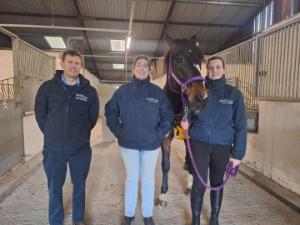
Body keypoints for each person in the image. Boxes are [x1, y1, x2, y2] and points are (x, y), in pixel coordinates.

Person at [105, 55, 175, 225]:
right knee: (131, 177)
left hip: (151, 145)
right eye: (139, 65)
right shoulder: (123, 91)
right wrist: (118, 131)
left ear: (149, 70)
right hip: (128, 144)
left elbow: (168, 115)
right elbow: (110, 111)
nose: (142, 68)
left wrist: (159, 134)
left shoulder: (156, 93)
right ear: (133, 69)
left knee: (148, 178)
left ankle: (147, 214)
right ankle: (129, 214)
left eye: (145, 65)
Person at [34, 50, 99, 225]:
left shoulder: (89, 92)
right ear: (61, 64)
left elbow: (92, 118)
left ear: (81, 66)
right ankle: (55, 220)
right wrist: (51, 133)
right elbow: (40, 115)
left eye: (77, 63)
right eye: (70, 62)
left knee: (79, 186)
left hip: (80, 148)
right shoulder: (47, 88)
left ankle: (78, 220)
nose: (73, 66)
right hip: (54, 148)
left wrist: (81, 134)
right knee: (54, 187)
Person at [181, 56, 247, 225]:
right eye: (211, 68)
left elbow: (241, 127)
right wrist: (185, 120)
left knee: (217, 183)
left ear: (224, 70)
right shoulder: (199, 90)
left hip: (222, 146)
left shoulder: (234, 95)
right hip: (199, 143)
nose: (214, 70)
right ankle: (195, 219)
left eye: (218, 67)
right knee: (199, 183)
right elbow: (188, 112)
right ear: (206, 70)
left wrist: (237, 155)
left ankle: (214, 219)